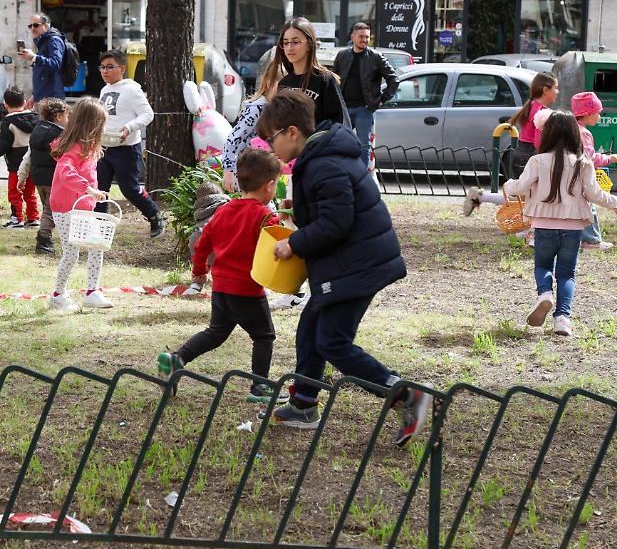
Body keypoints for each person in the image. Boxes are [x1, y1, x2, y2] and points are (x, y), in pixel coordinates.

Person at [256, 91, 426, 442]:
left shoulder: (322, 163)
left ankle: (405, 394)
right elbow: (333, 206)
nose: (268, 146)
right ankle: (304, 403)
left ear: (291, 132)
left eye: (271, 138)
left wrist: (294, 243)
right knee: (311, 327)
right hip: (350, 262)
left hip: (357, 266)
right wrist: (300, 207)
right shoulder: (321, 156)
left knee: (332, 341)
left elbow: (336, 223)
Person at [157, 148, 281, 400]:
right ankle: (260, 386)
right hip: (247, 289)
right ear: (269, 187)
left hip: (221, 288)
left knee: (216, 332)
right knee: (264, 335)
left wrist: (199, 272)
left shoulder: (223, 211)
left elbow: (202, 244)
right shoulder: (265, 215)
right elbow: (275, 248)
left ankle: (176, 358)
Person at [505, 112, 617, 337]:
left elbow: (520, 188)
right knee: (567, 274)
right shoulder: (583, 163)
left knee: (543, 266)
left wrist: (508, 185)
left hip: (543, 225)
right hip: (573, 228)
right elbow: (595, 194)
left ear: (548, 134)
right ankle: (562, 319)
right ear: (574, 134)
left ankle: (544, 295)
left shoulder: (537, 161)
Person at [47, 98, 112, 312]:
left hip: (83, 207)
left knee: (97, 246)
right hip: (66, 208)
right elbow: (66, 174)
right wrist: (90, 190)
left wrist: (92, 194)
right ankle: (57, 294)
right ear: (91, 125)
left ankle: (92, 291)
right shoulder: (73, 148)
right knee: (71, 253)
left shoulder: (89, 147)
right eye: (100, 124)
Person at [463, 72, 559, 216]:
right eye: (555, 87)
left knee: (524, 196)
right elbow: (539, 141)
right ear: (546, 90)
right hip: (531, 155)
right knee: (531, 196)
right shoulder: (542, 112)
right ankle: (526, 228)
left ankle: (480, 197)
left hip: (522, 152)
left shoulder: (532, 105)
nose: (557, 91)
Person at [97, 49, 164, 238]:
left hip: (126, 149)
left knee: (130, 189)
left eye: (110, 67)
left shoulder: (131, 89)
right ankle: (100, 228)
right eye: (102, 67)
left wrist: (129, 128)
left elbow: (147, 114)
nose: (105, 71)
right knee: (100, 188)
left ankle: (154, 216)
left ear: (122, 68)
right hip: (104, 147)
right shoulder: (104, 90)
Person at [257, 17, 349, 129]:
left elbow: (339, 123)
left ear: (310, 44)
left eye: (295, 42)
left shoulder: (325, 80)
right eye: (285, 43)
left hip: (319, 145)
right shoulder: (284, 83)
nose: (289, 47)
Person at [0, 85, 39, 228]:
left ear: (5, 105)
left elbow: (4, 146)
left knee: (15, 192)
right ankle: (33, 218)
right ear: (25, 102)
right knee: (30, 192)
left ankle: (17, 219)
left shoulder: (8, 122)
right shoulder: (36, 118)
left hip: (16, 163)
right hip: (34, 162)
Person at [220, 61, 283, 193]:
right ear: (269, 83)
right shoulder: (257, 109)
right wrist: (228, 171)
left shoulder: (276, 108)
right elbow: (233, 139)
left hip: (263, 170)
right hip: (247, 172)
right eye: (281, 87)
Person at [569, 92, 617, 251]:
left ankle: (578, 240)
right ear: (588, 114)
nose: (600, 115)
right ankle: (592, 241)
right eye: (598, 112)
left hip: (568, 175)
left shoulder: (570, 128)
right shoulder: (584, 133)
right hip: (581, 176)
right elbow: (589, 157)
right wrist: (608, 159)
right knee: (589, 208)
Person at [16, 97, 69, 255]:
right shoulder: (59, 135)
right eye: (67, 117)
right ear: (58, 116)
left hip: (38, 178)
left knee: (48, 208)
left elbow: (29, 156)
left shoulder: (36, 132)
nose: (68, 120)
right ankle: (43, 240)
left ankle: (49, 236)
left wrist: (21, 176)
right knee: (51, 211)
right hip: (54, 179)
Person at [333, 22, 397, 144]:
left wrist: (381, 99)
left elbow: (394, 79)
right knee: (341, 143)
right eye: (361, 36)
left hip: (364, 109)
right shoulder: (342, 55)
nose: (365, 40)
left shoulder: (376, 57)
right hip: (344, 109)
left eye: (367, 37)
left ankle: (362, 165)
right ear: (353, 37)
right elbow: (333, 80)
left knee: (364, 145)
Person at [18, 13, 66, 100]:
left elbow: (55, 63)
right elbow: (42, 72)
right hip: (43, 97)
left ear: (46, 26)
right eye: (30, 26)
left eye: (36, 25)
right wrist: (34, 95)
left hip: (51, 98)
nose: (32, 28)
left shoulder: (54, 40)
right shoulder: (43, 41)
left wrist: (34, 57)